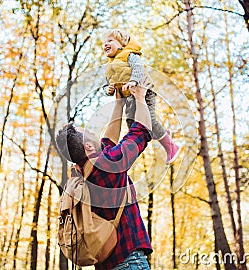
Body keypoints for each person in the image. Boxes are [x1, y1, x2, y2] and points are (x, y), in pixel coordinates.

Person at [56, 86, 152, 269]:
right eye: (89, 133)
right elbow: (142, 131)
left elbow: (108, 141)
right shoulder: (106, 165)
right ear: (89, 147)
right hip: (129, 262)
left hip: (107, 264)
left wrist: (119, 103)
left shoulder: (82, 171)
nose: (93, 133)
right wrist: (140, 97)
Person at [103, 28, 180, 164]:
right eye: (104, 42)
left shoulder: (130, 54)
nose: (105, 44)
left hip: (144, 91)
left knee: (149, 120)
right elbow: (108, 82)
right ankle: (161, 133)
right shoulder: (111, 65)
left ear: (122, 43)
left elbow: (138, 68)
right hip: (129, 97)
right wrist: (108, 89)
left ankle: (171, 146)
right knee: (132, 124)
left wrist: (134, 81)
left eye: (110, 41)